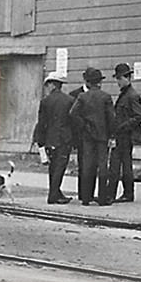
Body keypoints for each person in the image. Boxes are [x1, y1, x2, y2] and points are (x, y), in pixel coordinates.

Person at [68, 67, 115, 205]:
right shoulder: (106, 97)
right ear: (99, 82)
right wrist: (111, 135)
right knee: (102, 166)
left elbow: (72, 113)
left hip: (87, 136)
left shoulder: (82, 97)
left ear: (88, 82)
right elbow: (111, 118)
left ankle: (86, 198)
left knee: (87, 166)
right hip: (102, 136)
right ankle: (102, 198)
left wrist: (84, 125)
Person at [31, 71, 73, 204]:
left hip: (50, 139)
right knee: (60, 166)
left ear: (53, 85)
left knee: (53, 167)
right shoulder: (70, 100)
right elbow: (73, 121)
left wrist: (40, 141)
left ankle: (55, 192)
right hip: (64, 139)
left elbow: (42, 122)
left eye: (48, 85)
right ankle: (53, 194)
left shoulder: (45, 101)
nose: (47, 88)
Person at [108, 62, 141, 203]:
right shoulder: (126, 94)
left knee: (119, 165)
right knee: (120, 165)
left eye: (119, 79)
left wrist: (123, 126)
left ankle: (122, 194)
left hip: (126, 136)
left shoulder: (132, 95)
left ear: (127, 78)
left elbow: (140, 116)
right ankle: (118, 193)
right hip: (122, 136)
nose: (117, 82)